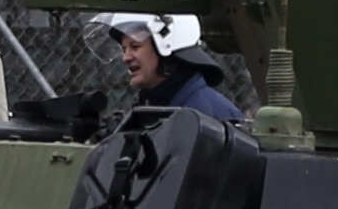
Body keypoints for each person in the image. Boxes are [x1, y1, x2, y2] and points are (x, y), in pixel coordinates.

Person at [100, 11, 242, 125]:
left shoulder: (205, 116)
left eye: (135, 46)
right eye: (124, 49)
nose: (126, 58)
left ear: (167, 49)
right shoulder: (155, 108)